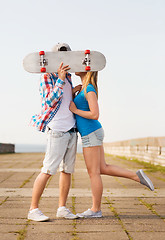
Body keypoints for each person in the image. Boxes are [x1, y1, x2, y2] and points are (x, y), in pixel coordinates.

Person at [69, 71, 154, 218]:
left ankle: (96, 210)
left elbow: (95, 114)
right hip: (92, 132)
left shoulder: (89, 88)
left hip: (90, 133)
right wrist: (73, 91)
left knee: (93, 173)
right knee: (102, 168)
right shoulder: (83, 88)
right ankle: (136, 176)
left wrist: (75, 110)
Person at [28, 43, 79, 221]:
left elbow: (65, 100)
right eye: (60, 56)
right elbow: (49, 101)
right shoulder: (47, 76)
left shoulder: (70, 76)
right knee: (48, 170)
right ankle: (33, 209)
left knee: (67, 171)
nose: (63, 60)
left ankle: (62, 208)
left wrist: (73, 90)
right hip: (57, 130)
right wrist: (61, 79)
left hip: (72, 129)